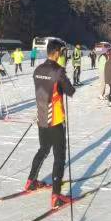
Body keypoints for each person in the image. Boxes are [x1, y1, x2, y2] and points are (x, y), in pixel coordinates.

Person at [24, 39, 76, 209]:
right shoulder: (58, 70)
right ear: (56, 53)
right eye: (60, 51)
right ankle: (56, 196)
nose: (61, 54)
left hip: (41, 115)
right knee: (59, 156)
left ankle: (31, 181)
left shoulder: (38, 69)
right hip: (55, 118)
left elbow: (44, 87)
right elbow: (70, 91)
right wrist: (63, 77)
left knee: (43, 149)